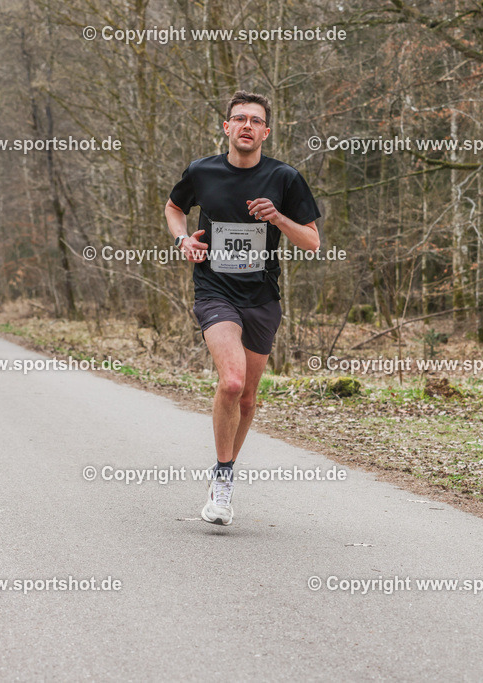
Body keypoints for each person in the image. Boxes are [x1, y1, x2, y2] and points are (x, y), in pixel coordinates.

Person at [165, 90, 321, 526]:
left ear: (266, 132)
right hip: (214, 291)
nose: (247, 125)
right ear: (227, 127)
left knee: (249, 399)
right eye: (239, 119)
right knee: (231, 382)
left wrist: (278, 218)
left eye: (256, 120)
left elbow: (312, 241)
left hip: (262, 297)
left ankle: (224, 472)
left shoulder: (285, 178)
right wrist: (183, 240)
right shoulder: (202, 171)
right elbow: (174, 208)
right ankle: (223, 478)